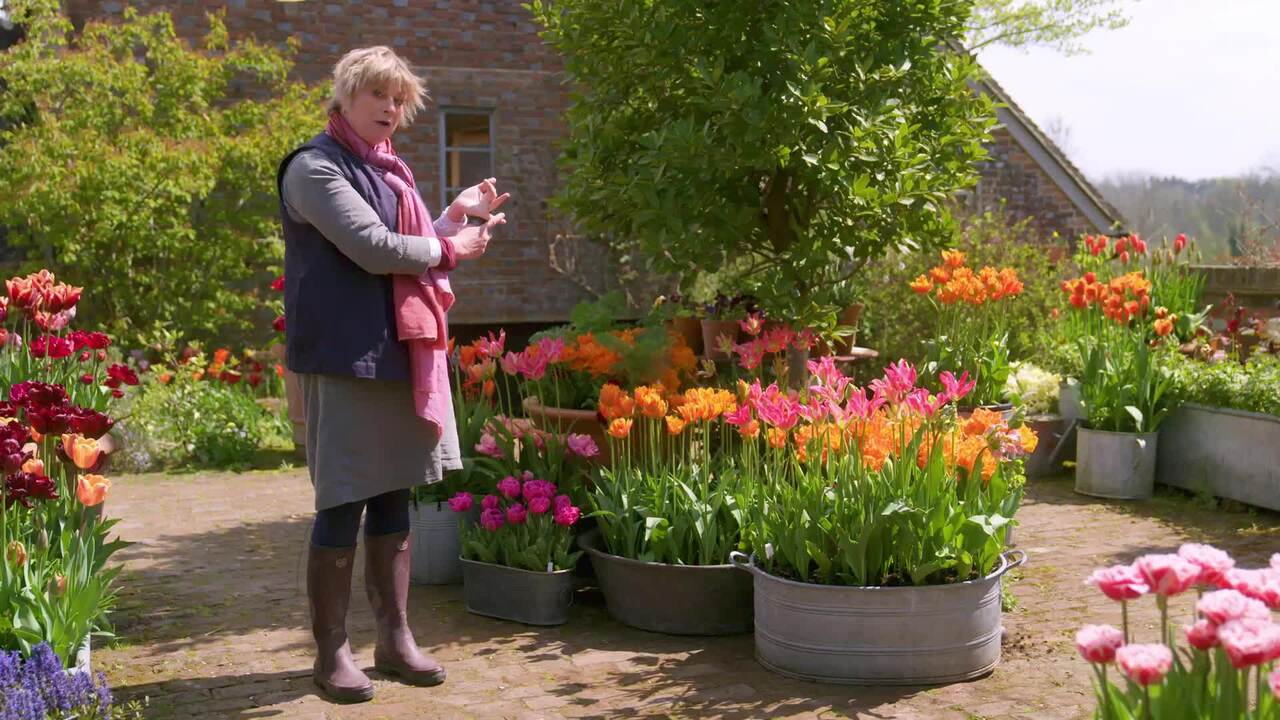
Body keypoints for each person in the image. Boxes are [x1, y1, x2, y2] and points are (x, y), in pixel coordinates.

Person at [277, 45, 508, 703]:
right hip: (343, 356)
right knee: (343, 499)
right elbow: (375, 249)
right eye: (377, 94)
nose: (389, 108)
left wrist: (452, 218)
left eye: (398, 98)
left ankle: (395, 638)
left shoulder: (389, 170)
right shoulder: (314, 169)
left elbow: (403, 248)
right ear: (345, 97)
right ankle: (331, 652)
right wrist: (448, 248)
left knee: (393, 495)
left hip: (395, 352)